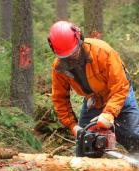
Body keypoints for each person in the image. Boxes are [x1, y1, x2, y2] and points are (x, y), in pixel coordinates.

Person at [47, 20, 139, 153]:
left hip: (119, 93)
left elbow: (120, 86)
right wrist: (73, 126)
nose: (71, 58)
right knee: (85, 141)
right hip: (93, 99)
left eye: (73, 53)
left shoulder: (102, 52)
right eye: (66, 56)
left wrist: (108, 114)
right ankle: (87, 170)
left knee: (133, 134)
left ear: (80, 40)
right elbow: (59, 99)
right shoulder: (59, 67)